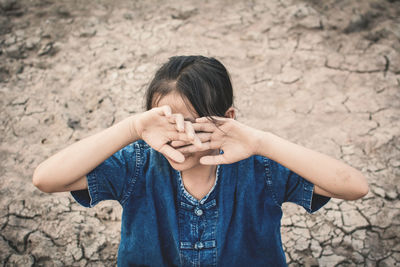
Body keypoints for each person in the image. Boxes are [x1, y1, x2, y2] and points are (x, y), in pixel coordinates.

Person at [32, 55, 369, 266]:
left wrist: (260, 141)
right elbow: (47, 179)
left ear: (228, 119)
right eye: (165, 123)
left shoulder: (260, 168)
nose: (178, 139)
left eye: (191, 125)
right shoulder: (137, 164)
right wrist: (133, 128)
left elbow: (355, 187)